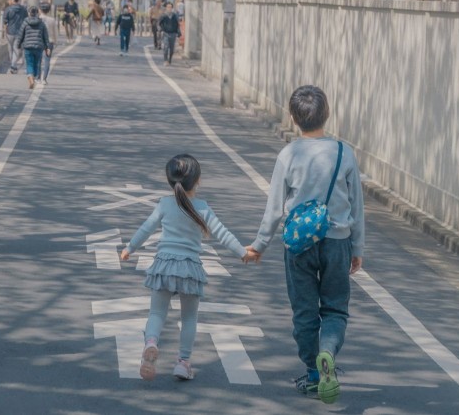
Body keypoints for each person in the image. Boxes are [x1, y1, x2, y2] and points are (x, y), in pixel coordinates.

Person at [245, 85, 364, 403]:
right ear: (327, 113)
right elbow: (357, 207)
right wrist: (358, 249)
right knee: (336, 308)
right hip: (337, 241)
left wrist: (259, 245)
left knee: (304, 311)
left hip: (299, 245)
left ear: (293, 118)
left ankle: (314, 373)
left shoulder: (289, 154)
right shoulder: (344, 152)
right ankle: (328, 352)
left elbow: (274, 208)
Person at [120, 154, 255, 382]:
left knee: (156, 313)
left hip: (164, 265)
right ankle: (183, 362)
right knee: (189, 317)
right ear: (198, 181)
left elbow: (146, 228)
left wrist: (129, 248)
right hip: (189, 269)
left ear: (170, 181)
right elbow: (223, 234)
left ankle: (151, 343)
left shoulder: (164, 204)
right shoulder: (202, 208)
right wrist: (243, 253)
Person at [16, 6, 50, 90]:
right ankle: (34, 77)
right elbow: (45, 36)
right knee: (37, 63)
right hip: (38, 47)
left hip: (28, 47)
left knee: (29, 63)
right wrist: (47, 47)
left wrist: (18, 44)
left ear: (29, 13)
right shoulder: (41, 23)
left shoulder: (25, 22)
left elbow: (21, 34)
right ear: (37, 13)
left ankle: (30, 79)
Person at [3, 0, 28, 74]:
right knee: (17, 49)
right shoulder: (23, 9)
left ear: (13, 0)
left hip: (9, 32)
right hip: (20, 33)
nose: (8, 1)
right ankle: (13, 66)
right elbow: (26, 20)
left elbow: (5, 22)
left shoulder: (8, 9)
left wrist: (5, 31)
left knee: (10, 49)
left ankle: (13, 65)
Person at [38, 2, 57, 85]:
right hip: (49, 42)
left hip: (39, 41)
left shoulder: (37, 19)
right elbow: (55, 32)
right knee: (47, 60)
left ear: (40, 9)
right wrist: (55, 41)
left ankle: (38, 78)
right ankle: (44, 79)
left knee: (38, 60)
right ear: (49, 10)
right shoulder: (52, 20)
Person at [159, 1, 180, 66]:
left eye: (170, 7)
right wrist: (161, 30)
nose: (169, 8)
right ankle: (165, 60)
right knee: (166, 47)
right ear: (166, 8)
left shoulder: (174, 16)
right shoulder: (163, 16)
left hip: (173, 34)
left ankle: (170, 59)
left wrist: (178, 32)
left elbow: (177, 24)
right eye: (168, 7)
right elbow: (159, 23)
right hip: (166, 33)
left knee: (171, 49)